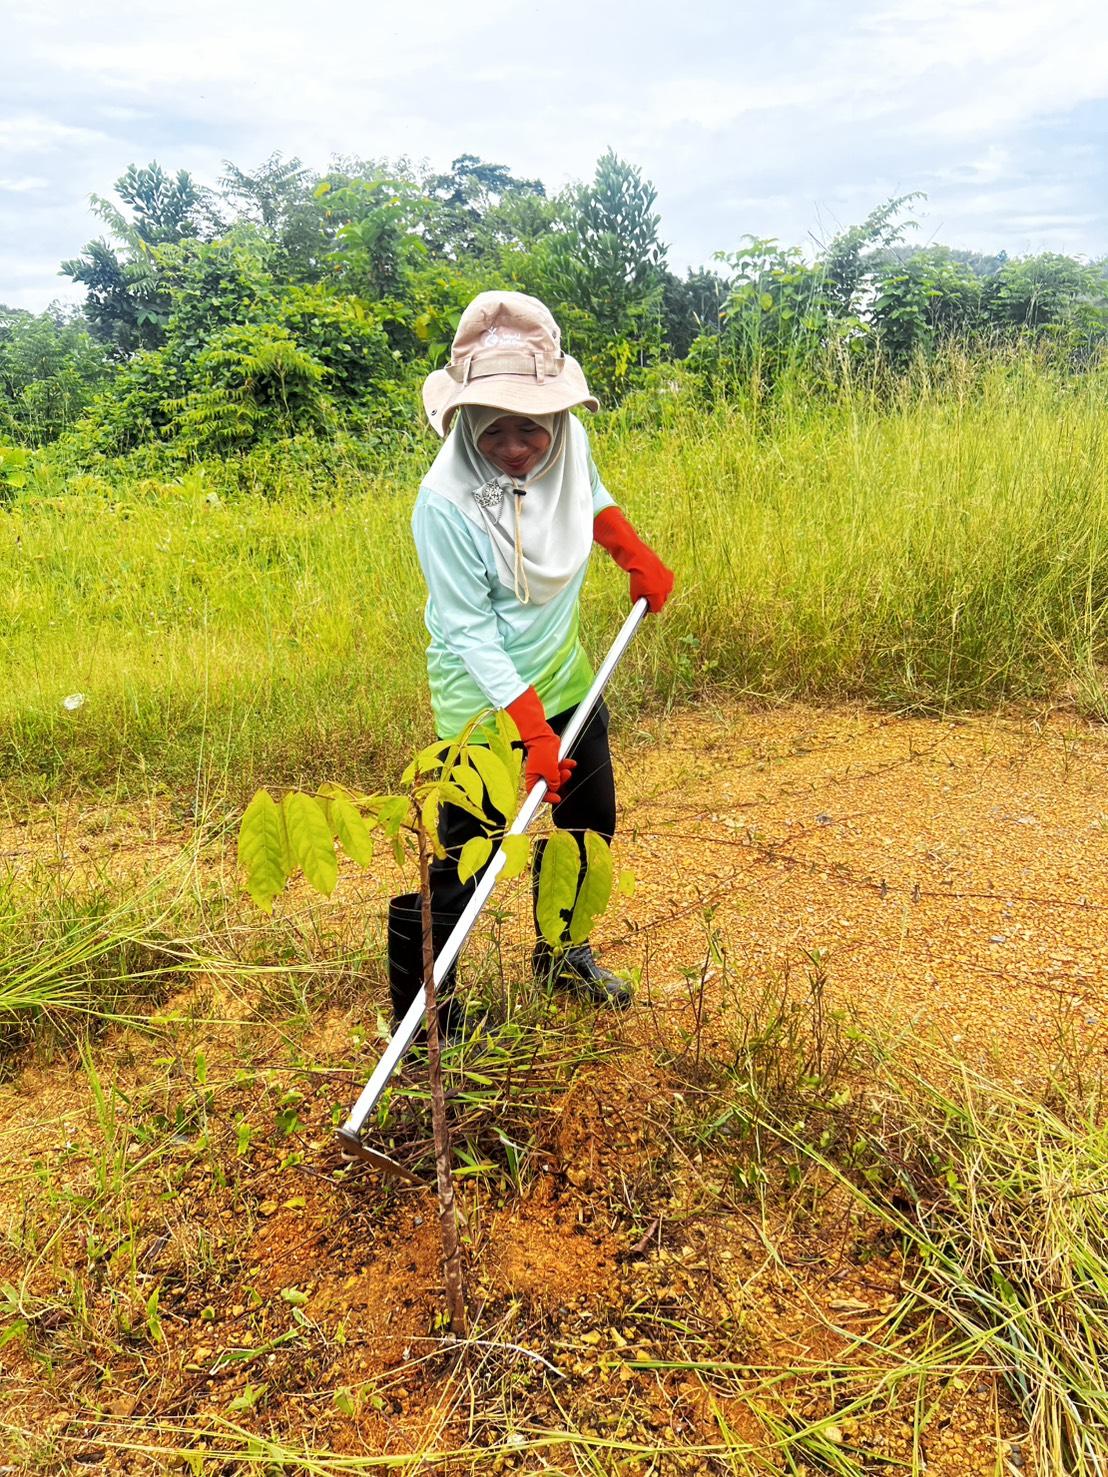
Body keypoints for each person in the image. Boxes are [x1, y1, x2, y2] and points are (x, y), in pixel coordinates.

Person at [387, 290, 673, 1031]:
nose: (518, 447)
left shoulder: (567, 441)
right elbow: (469, 630)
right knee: (469, 862)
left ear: (556, 416)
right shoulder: (443, 505)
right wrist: (529, 731)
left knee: (588, 823)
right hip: (481, 700)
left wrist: (626, 547)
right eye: (496, 431)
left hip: (567, 676)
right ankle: (429, 1022)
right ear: (465, 420)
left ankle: (562, 953)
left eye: (533, 428)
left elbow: (587, 491)